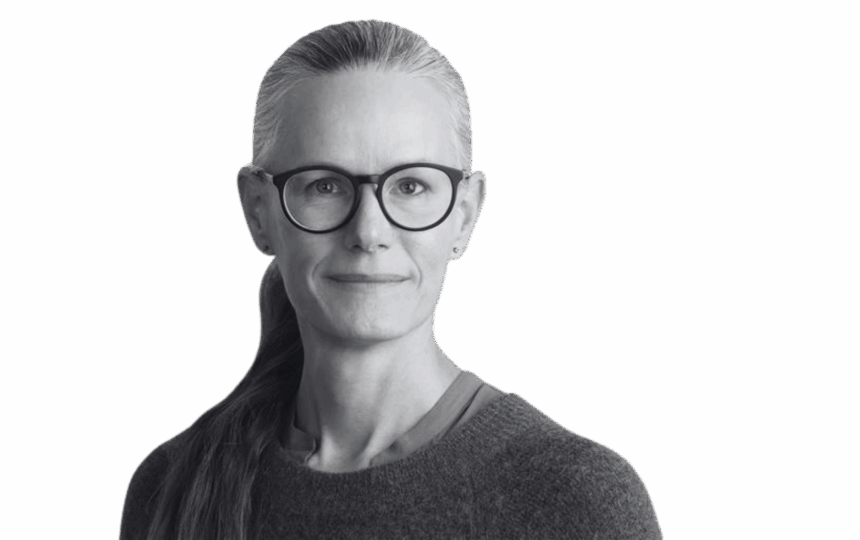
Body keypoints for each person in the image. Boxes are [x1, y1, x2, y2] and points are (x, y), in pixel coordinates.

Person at [119, 19, 662, 540]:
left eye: (410, 187)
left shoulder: (576, 500)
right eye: (325, 185)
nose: (368, 232)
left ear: (465, 215)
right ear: (258, 212)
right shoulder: (170, 487)